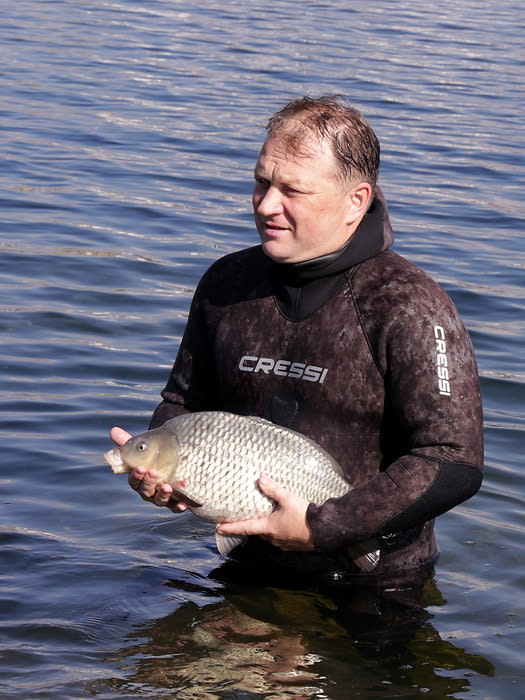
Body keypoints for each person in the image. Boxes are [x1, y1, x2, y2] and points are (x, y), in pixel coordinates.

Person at [111, 95, 483, 587]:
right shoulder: (226, 283)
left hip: (374, 583)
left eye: (293, 190)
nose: (266, 204)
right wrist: (160, 469)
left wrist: (325, 526)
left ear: (356, 201)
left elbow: (453, 460)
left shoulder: (408, 304)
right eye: (261, 181)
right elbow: (182, 404)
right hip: (241, 567)